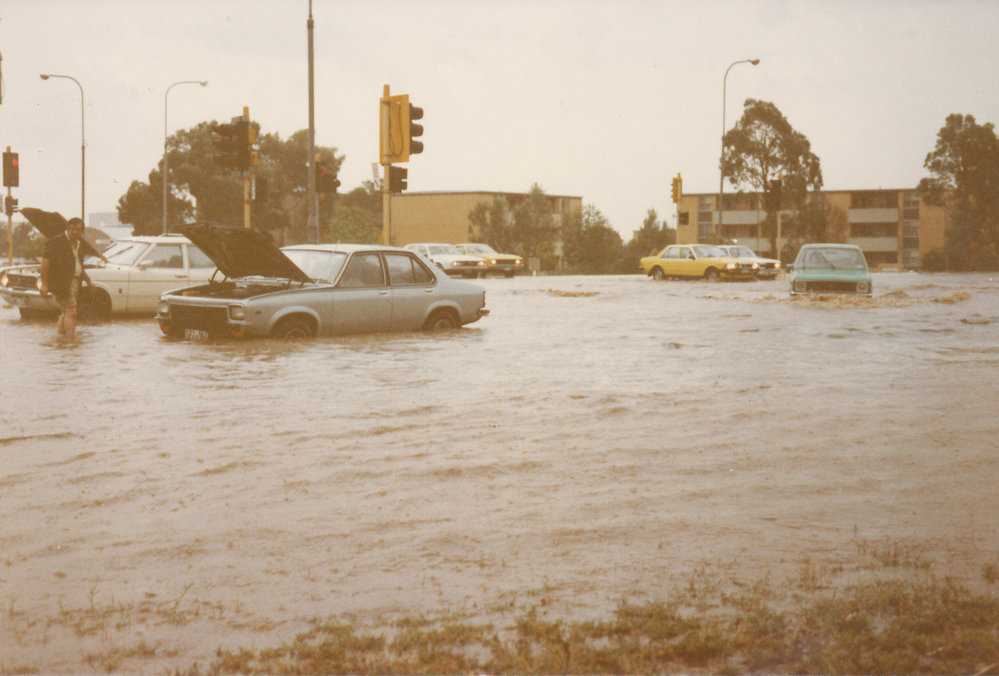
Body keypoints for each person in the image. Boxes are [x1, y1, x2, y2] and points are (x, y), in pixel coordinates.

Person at [39, 217, 93, 342]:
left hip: (75, 282)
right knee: (71, 311)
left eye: (78, 229)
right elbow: (45, 262)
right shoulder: (56, 242)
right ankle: (70, 341)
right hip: (61, 283)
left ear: (82, 231)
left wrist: (88, 280)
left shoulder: (79, 244)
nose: (75, 232)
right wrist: (44, 284)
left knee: (66, 311)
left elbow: (79, 265)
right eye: (72, 229)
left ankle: (60, 340)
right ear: (68, 229)